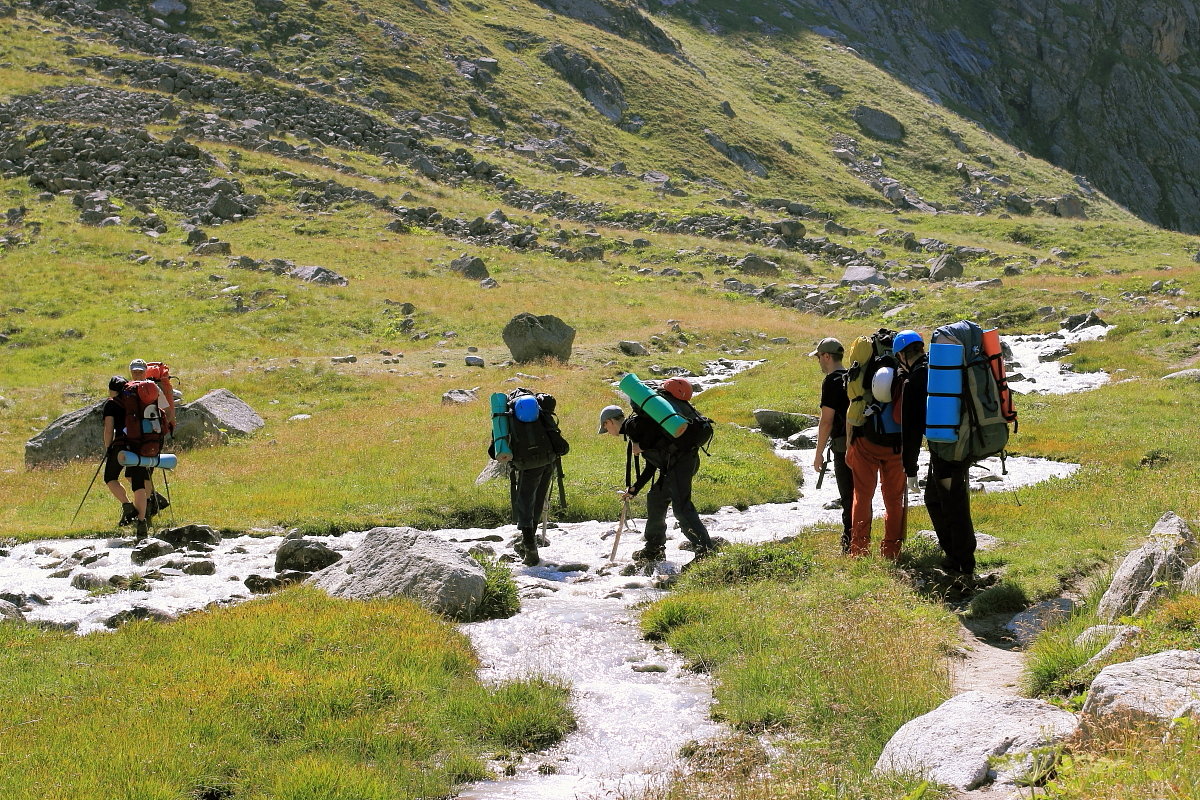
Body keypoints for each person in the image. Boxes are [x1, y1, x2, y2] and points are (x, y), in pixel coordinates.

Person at [599, 398, 717, 566]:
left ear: (609, 422)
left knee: (682, 508)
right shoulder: (634, 428)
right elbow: (652, 464)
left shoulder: (633, 426)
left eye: (605, 427)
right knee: (655, 498)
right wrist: (635, 489)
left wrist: (643, 446)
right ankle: (654, 549)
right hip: (676, 464)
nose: (607, 431)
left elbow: (654, 432)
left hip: (680, 464)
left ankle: (705, 552)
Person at [900, 333, 978, 578]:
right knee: (938, 498)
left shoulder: (914, 381)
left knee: (952, 503)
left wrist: (909, 469)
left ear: (902, 355)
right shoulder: (939, 369)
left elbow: (910, 431)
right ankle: (956, 557)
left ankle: (964, 564)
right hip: (961, 443)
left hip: (946, 452)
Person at [844, 331, 926, 561]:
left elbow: (853, 410)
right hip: (897, 448)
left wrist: (850, 444)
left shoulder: (868, 368)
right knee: (893, 501)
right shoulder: (909, 376)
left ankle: (858, 551)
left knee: (862, 496)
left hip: (865, 442)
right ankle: (891, 551)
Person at [490, 392, 569, 567]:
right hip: (548, 460)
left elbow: (493, 450)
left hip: (527, 464)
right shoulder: (540, 410)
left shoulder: (506, 414)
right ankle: (528, 542)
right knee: (538, 501)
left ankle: (530, 549)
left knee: (525, 503)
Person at [810, 337, 854, 554]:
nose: (818, 361)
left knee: (848, 496)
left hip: (843, 447)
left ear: (826, 356)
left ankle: (850, 545)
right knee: (861, 495)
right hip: (862, 445)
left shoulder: (831, 381)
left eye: (818, 357)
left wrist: (818, 454)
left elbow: (826, 420)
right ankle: (861, 539)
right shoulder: (853, 377)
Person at [102, 376, 149, 539]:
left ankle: (128, 506)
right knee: (138, 483)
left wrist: (108, 447)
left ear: (111, 390)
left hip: (121, 446)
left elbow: (109, 430)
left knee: (110, 477)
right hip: (141, 446)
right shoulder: (139, 400)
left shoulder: (111, 403)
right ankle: (142, 524)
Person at [128, 358, 173, 520]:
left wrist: (159, 431)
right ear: (130, 372)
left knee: (145, 474)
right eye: (135, 371)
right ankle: (154, 500)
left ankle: (146, 511)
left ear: (146, 371)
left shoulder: (153, 388)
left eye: (140, 370)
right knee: (131, 474)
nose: (137, 373)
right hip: (135, 438)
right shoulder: (128, 389)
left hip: (151, 438)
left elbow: (167, 411)